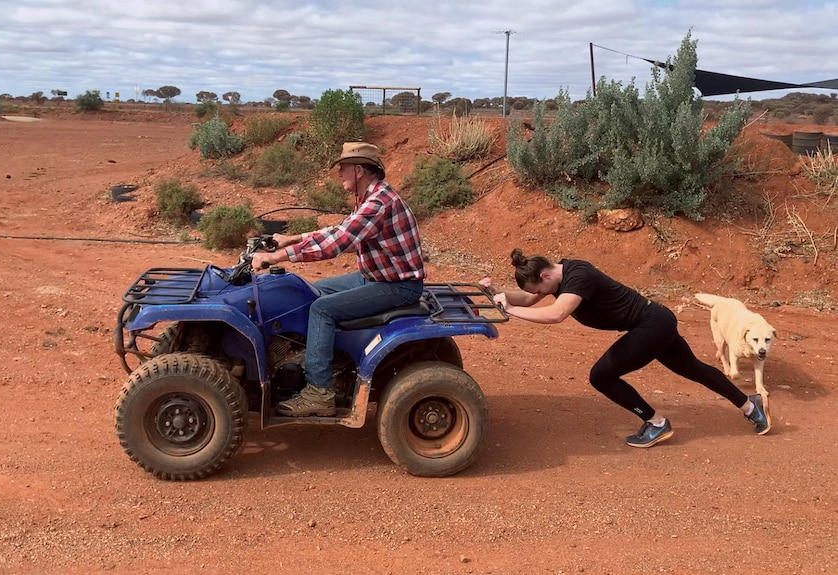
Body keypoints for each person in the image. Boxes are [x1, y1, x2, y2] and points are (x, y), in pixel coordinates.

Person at [482, 248, 771, 447]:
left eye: (539, 289)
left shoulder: (577, 278)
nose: (538, 295)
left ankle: (656, 423)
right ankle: (750, 406)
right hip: (655, 321)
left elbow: (556, 314)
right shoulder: (560, 275)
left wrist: (511, 312)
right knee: (692, 369)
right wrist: (495, 295)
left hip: (650, 325)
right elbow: (529, 299)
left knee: (601, 376)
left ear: (544, 276)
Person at [252, 142, 425, 417]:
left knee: (321, 309)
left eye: (342, 169)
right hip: (376, 277)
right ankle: (320, 359)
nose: (339, 174)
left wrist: (275, 257)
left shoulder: (378, 203)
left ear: (358, 170)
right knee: (310, 292)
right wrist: (293, 238)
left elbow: (337, 243)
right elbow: (338, 229)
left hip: (396, 286)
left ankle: (319, 392)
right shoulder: (371, 197)